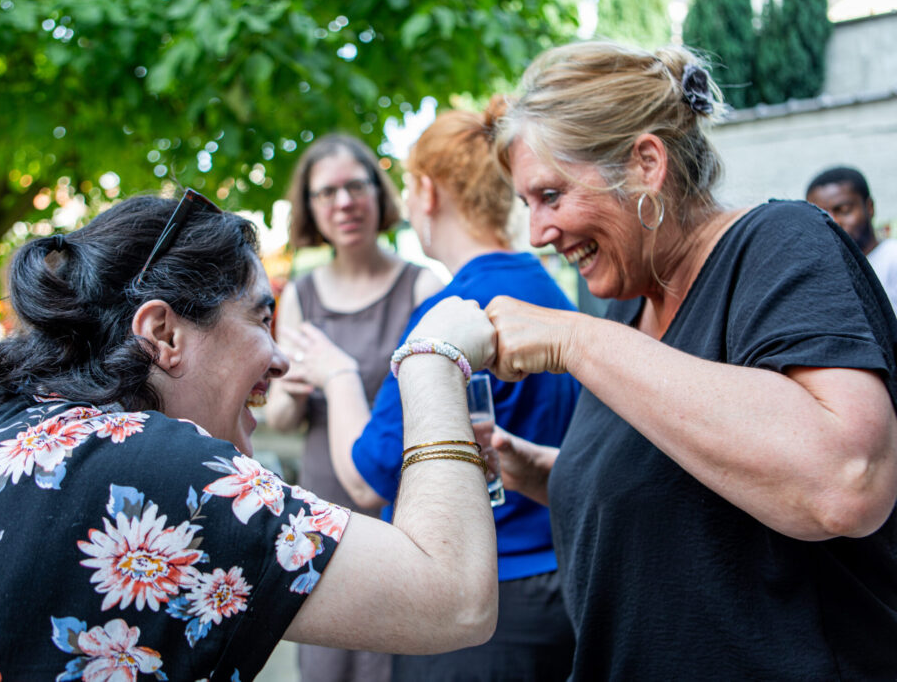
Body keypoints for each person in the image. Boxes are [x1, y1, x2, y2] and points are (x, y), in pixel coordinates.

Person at [0, 191, 501, 680]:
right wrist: (430, 357)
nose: (280, 360)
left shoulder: (7, 437)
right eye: (261, 317)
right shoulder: (155, 467)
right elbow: (453, 599)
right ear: (164, 335)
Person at [483, 42, 897, 679]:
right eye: (527, 205)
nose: (539, 231)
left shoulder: (780, 245)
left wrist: (578, 342)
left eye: (551, 194)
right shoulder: (626, 309)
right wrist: (535, 469)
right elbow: (688, 488)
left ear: (646, 163)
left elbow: (845, 479)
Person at [282, 104, 581, 681]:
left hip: (485, 611)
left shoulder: (447, 313)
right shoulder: (543, 286)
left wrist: (340, 375)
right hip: (559, 588)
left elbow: (366, 482)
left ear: (425, 191)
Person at [264, 133, 442, 682]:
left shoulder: (421, 286)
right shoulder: (299, 295)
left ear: (377, 192)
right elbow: (279, 420)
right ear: (311, 207)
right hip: (320, 520)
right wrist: (291, 391)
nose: (343, 202)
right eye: (326, 193)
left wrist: (338, 372)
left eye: (355, 186)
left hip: (395, 517)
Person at [806, 166, 897, 310]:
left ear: (869, 207)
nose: (833, 222)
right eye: (822, 215)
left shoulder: (892, 257)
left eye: (844, 211)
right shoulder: (822, 274)